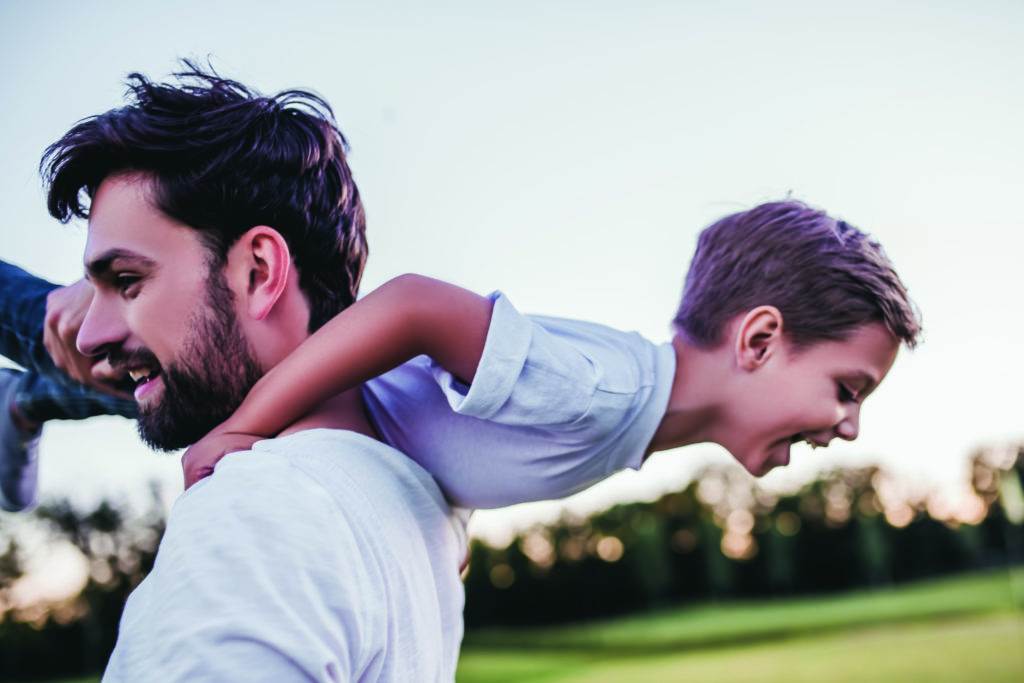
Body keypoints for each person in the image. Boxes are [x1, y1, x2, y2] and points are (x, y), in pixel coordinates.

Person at [37, 64, 470, 681]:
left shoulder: (258, 511)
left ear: (258, 272)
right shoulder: (419, 503)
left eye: (128, 282)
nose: (89, 335)